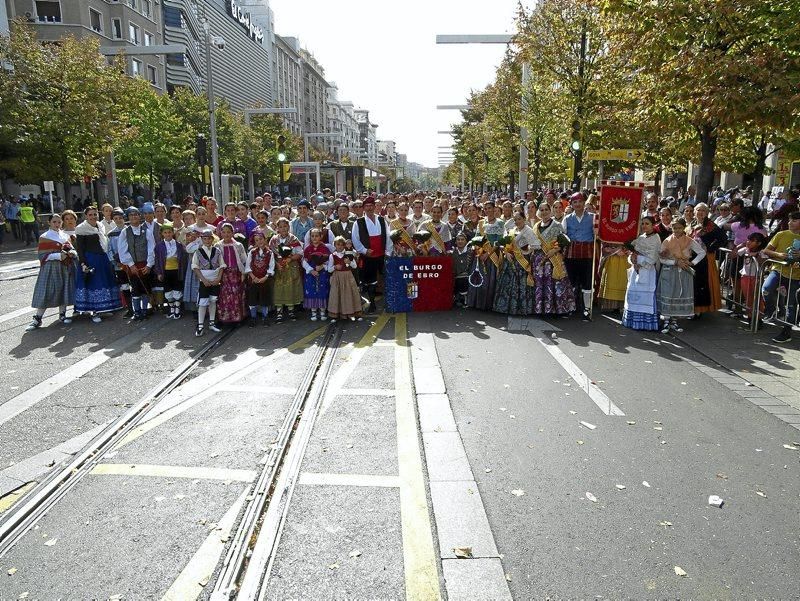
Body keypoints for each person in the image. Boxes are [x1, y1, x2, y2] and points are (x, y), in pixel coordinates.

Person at [26, 213, 78, 330]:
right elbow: (42, 255)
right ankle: (37, 318)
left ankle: (62, 315)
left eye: (59, 222)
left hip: (65, 267)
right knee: (46, 291)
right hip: (51, 267)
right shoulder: (45, 236)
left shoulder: (64, 235)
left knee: (64, 288)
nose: (57, 224)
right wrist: (58, 256)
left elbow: (71, 248)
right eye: (54, 222)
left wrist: (72, 253)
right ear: (49, 222)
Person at [657, 218, 706, 334]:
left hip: (683, 270)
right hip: (669, 270)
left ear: (683, 228)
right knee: (669, 293)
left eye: (679, 228)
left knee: (679, 294)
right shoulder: (667, 241)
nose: (677, 230)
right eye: (675, 228)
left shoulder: (689, 241)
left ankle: (674, 320)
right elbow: (661, 258)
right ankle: (666, 321)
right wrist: (674, 262)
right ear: (671, 228)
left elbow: (702, 252)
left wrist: (692, 262)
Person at [73, 206, 121, 322]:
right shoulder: (81, 229)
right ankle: (94, 312)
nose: (93, 217)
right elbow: (80, 248)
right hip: (90, 259)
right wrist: (83, 263)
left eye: (95, 214)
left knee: (104, 283)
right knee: (94, 285)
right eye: (90, 215)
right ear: (86, 216)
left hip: (103, 258)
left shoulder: (100, 226)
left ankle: (104, 308)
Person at [762, 211, 800, 343]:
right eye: (789, 220)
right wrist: (778, 254)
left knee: (791, 304)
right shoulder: (781, 234)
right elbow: (766, 250)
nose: (790, 223)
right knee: (766, 288)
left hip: (796, 277)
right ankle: (771, 311)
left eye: (794, 220)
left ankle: (787, 331)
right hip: (778, 270)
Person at [530, 203, 575, 316]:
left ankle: (556, 309)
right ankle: (541, 309)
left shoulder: (557, 225)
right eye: (542, 210)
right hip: (539, 260)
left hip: (553, 259)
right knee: (540, 284)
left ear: (550, 211)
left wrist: (554, 251)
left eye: (546, 209)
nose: (544, 212)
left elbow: (564, 242)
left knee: (554, 283)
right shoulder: (536, 226)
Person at [352, 196, 392, 313]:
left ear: (375, 207)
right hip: (368, 256)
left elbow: (388, 236)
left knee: (384, 279)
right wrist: (364, 250)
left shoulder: (381, 219)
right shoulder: (358, 222)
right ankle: (372, 304)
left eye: (371, 206)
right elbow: (355, 239)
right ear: (364, 208)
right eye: (367, 206)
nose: (369, 208)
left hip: (381, 255)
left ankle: (387, 302)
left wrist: (387, 251)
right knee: (370, 281)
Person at [493, 212, 537, 315]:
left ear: (524, 219)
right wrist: (506, 253)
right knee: (508, 283)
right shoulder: (512, 231)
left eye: (519, 219)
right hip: (510, 259)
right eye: (515, 220)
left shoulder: (528, 231)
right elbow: (503, 245)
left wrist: (525, 251)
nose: (517, 221)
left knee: (520, 284)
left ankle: (520, 308)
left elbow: (535, 245)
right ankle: (505, 307)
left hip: (522, 261)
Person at [622, 216, 661, 331]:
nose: (644, 226)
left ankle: (646, 323)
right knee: (633, 294)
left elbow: (654, 257)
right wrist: (633, 259)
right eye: (643, 223)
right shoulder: (640, 237)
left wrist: (640, 263)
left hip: (648, 271)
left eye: (647, 223)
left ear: (653, 225)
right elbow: (632, 251)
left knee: (646, 296)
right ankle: (632, 321)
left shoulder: (656, 238)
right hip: (636, 270)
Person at [118, 206, 156, 322]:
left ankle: (145, 310)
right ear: (128, 217)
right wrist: (130, 264)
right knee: (135, 288)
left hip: (144, 264)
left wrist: (149, 265)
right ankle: (137, 311)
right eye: (131, 215)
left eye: (136, 214)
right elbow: (122, 249)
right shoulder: (125, 232)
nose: (134, 217)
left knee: (145, 288)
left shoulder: (147, 231)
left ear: (140, 216)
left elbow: (151, 248)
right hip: (132, 266)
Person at [690, 203, 727, 316]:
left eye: (703, 211)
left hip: (705, 258)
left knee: (702, 282)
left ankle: (700, 309)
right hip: (692, 256)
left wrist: (710, 248)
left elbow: (722, 238)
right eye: (698, 210)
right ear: (694, 212)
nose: (700, 213)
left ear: (706, 213)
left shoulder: (711, 225)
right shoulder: (692, 224)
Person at [563, 192, 595, 318]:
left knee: (587, 282)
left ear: (584, 202)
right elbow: (563, 235)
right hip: (571, 254)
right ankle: (570, 306)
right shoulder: (567, 219)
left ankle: (587, 309)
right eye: (575, 202)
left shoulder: (593, 217)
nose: (577, 204)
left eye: (580, 201)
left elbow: (597, 235)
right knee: (571, 281)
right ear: (572, 204)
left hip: (587, 253)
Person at [466, 202, 504, 311]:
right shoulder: (481, 222)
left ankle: (488, 304)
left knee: (490, 279)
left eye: (489, 208)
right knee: (479, 278)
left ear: (494, 209)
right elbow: (477, 238)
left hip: (492, 255)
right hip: (481, 254)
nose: (487, 210)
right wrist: (478, 251)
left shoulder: (500, 223)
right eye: (485, 208)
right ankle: (477, 303)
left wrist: (488, 253)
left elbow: (498, 241)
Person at [269, 217, 304, 321]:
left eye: (285, 226)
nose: (283, 228)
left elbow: (300, 253)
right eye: (280, 227)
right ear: (277, 228)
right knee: (278, 288)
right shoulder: (274, 240)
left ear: (288, 227)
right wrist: (276, 264)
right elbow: (270, 255)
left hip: (291, 267)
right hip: (278, 268)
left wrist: (290, 259)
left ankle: (291, 310)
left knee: (291, 287)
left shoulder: (293, 239)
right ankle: (279, 311)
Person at [192, 230, 224, 336]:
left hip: (215, 279)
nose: (207, 241)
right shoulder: (198, 252)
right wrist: (203, 280)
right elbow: (195, 267)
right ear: (202, 239)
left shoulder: (217, 251)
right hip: (204, 280)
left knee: (213, 300)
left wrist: (219, 278)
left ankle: (211, 323)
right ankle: (200, 325)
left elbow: (221, 265)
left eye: (209, 238)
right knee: (203, 302)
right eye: (204, 239)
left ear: (212, 239)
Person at [153, 223, 187, 320]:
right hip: (165, 271)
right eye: (165, 233)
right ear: (162, 234)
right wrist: (159, 272)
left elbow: (182, 258)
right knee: (168, 290)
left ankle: (177, 309)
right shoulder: (159, 246)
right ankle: (171, 308)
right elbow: (157, 260)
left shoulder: (178, 245)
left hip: (176, 270)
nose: (168, 234)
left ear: (173, 233)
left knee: (177, 289)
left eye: (169, 232)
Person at [216, 222, 247, 324]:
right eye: (224, 232)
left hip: (236, 273)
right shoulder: (218, 245)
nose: (226, 234)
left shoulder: (238, 245)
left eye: (228, 232)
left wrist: (243, 273)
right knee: (225, 295)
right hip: (224, 274)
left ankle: (238, 317)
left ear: (232, 233)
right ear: (220, 233)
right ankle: (226, 317)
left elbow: (243, 260)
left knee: (236, 293)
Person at [326, 238, 361, 323]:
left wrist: (349, 262)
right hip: (337, 277)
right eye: (338, 245)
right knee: (337, 294)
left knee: (348, 294)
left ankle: (350, 313)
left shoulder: (348, 254)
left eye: (342, 245)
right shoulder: (332, 256)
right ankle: (336, 313)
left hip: (348, 276)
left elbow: (355, 266)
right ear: (335, 245)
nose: (340, 247)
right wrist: (335, 267)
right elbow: (329, 269)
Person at [106, 207, 133, 318]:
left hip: (131, 263)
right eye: (115, 218)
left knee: (135, 285)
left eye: (120, 218)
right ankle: (130, 308)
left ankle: (138, 307)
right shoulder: (111, 234)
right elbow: (109, 250)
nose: (118, 220)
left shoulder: (130, 230)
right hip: (119, 264)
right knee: (125, 286)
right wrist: (114, 261)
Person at [244, 231, 275, 327]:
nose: (259, 241)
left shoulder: (269, 253)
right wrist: (253, 277)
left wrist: (265, 277)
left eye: (261, 239)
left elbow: (271, 267)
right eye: (257, 240)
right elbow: (248, 266)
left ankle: (265, 317)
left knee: (264, 299)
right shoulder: (252, 252)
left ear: (265, 239)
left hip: (264, 280)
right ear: (255, 242)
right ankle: (253, 317)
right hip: (253, 280)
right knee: (252, 298)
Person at [302, 228, 332, 321]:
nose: (314, 238)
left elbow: (329, 260)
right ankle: (313, 312)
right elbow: (304, 261)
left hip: (322, 273)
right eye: (312, 236)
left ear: (321, 237)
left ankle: (322, 311)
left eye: (317, 236)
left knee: (322, 290)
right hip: (311, 274)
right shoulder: (308, 249)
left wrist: (323, 266)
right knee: (311, 291)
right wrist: (310, 270)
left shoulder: (324, 248)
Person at [597, 242, 629, 313]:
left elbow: (632, 241)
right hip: (611, 258)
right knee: (610, 280)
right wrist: (613, 250)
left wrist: (625, 249)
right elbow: (604, 241)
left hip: (624, 258)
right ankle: (612, 306)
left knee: (623, 281)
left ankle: (622, 306)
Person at [451, 232, 473, 308]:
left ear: (466, 241)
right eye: (458, 240)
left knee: (463, 279)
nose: (460, 241)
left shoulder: (471, 251)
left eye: (462, 239)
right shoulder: (452, 252)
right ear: (455, 241)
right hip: (454, 275)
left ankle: (464, 299)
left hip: (466, 275)